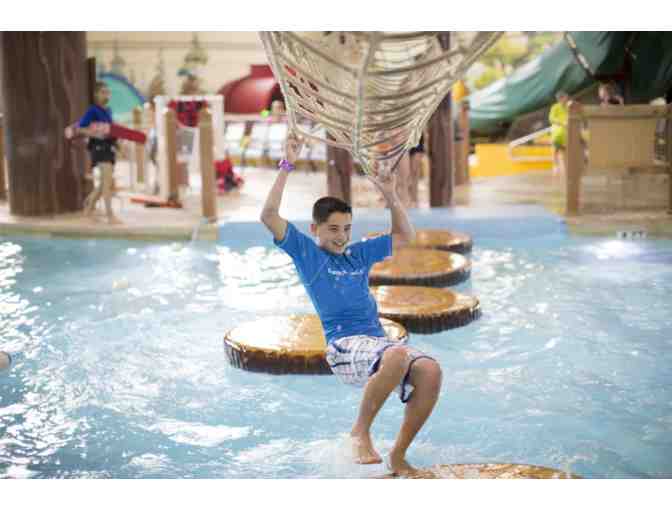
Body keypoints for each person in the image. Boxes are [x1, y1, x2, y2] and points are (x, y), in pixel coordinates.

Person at [260, 133, 442, 476]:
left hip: (376, 344)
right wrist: (287, 164)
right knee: (397, 354)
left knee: (430, 371)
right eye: (333, 229)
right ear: (315, 228)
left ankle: (398, 455)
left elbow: (405, 236)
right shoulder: (307, 254)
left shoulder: (357, 254)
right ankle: (360, 431)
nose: (341, 236)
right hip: (343, 346)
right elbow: (269, 215)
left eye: (346, 228)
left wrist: (390, 193)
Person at [76, 81, 122, 224]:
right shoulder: (92, 111)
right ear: (96, 94)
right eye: (103, 92)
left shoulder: (108, 111)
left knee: (104, 183)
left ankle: (88, 209)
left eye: (107, 92)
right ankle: (110, 215)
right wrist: (96, 134)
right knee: (106, 183)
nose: (106, 95)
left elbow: (110, 130)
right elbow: (80, 128)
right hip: (98, 148)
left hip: (109, 148)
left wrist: (118, 145)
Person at [549, 91, 570, 175]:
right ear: (560, 99)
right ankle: (555, 166)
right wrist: (561, 123)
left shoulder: (568, 107)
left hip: (565, 133)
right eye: (565, 97)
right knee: (555, 150)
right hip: (557, 133)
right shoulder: (555, 107)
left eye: (566, 97)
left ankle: (564, 167)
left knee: (564, 150)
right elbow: (551, 118)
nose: (567, 98)